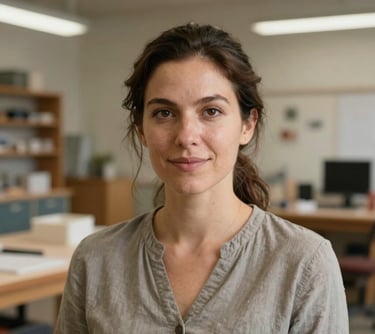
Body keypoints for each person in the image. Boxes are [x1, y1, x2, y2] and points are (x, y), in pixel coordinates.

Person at [55, 23, 349, 333]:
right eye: (164, 113)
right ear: (141, 129)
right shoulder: (94, 259)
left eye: (210, 111)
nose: (186, 136)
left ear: (247, 125)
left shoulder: (305, 262)